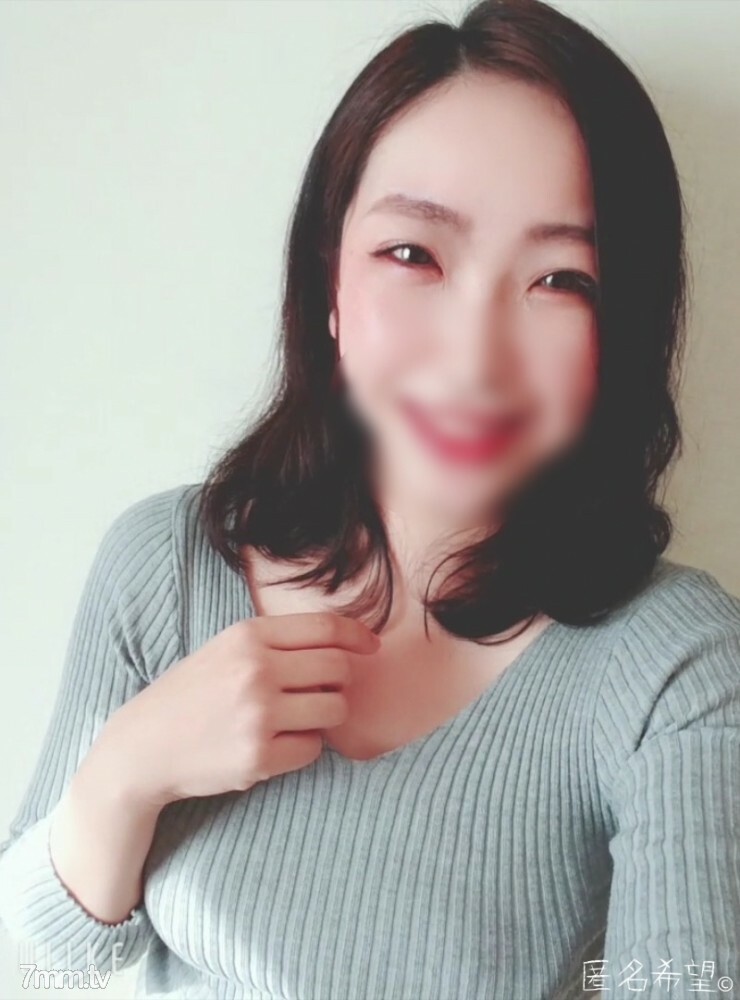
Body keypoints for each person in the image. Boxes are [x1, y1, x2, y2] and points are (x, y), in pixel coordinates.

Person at [1, 0, 739, 997]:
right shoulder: (164, 565)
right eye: (413, 255)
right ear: (329, 287)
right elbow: (42, 962)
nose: (475, 356)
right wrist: (127, 773)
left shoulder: (671, 664)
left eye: (560, 280)